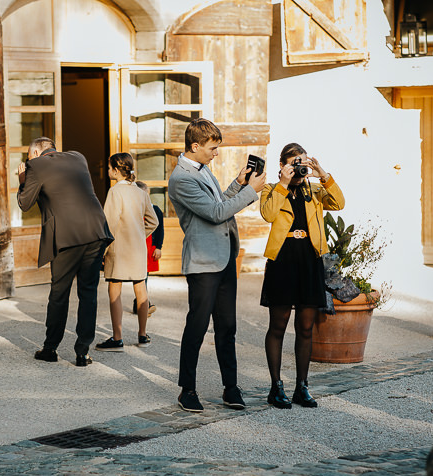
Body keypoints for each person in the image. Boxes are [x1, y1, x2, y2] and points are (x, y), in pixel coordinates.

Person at [167, 118, 265, 413]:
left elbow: (219, 201)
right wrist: (252, 192)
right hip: (203, 263)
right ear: (195, 146)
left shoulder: (201, 168)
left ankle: (231, 388)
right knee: (196, 327)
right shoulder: (181, 178)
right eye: (213, 148)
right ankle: (187, 390)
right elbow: (214, 212)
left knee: (227, 327)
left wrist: (239, 183)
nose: (216, 153)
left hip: (224, 259)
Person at [259, 143, 344, 409]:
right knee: (278, 325)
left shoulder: (315, 190)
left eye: (302, 161)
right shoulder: (271, 189)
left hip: (310, 259)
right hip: (282, 259)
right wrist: (284, 182)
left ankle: (302, 387)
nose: (298, 166)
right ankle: (276, 387)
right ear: (282, 164)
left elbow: (339, 203)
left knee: (306, 327)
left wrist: (323, 174)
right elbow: (268, 214)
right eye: (293, 161)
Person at [17, 137, 113, 367]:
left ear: (37, 151)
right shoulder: (78, 157)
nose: (28, 161)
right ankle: (83, 353)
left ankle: (50, 348)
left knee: (59, 293)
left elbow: (24, 202)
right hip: (95, 231)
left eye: (30, 156)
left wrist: (23, 179)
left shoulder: (36, 165)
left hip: (66, 237)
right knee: (88, 294)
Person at [95, 154, 158, 352]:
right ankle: (142, 335)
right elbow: (153, 221)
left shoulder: (114, 192)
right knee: (141, 291)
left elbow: (109, 224)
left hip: (119, 249)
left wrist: (102, 251)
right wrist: (140, 235)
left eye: (108, 167)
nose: (107, 171)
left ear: (115, 170)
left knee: (115, 290)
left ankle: (117, 338)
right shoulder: (140, 192)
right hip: (138, 249)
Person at [132, 180, 163, 316]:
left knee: (144, 276)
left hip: (149, 247)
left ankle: (141, 304)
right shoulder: (133, 210)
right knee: (138, 276)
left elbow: (160, 229)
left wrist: (158, 247)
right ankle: (142, 304)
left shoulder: (155, 210)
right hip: (136, 247)